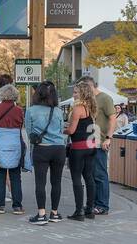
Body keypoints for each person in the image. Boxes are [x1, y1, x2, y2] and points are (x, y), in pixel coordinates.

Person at [24, 81, 66, 225]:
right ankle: (54, 213)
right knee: (57, 182)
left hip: (42, 149)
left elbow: (29, 132)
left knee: (40, 183)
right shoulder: (58, 111)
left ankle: (41, 214)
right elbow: (61, 130)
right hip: (59, 148)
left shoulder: (31, 110)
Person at [0, 80, 27, 215]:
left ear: (2, 95)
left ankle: (0, 205)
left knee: (0, 175)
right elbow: (21, 125)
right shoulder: (19, 110)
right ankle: (17, 206)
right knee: (15, 175)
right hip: (15, 143)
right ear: (15, 96)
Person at [64, 80, 98, 221]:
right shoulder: (90, 108)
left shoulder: (78, 108)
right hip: (91, 145)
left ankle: (79, 211)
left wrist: (63, 130)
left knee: (76, 178)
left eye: (76, 92)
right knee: (89, 177)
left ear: (82, 93)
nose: (74, 94)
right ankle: (90, 209)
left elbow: (72, 130)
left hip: (78, 147)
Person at [83, 77, 115, 216]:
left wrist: (108, 138)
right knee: (91, 174)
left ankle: (102, 205)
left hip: (100, 141)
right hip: (89, 141)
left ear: (90, 86)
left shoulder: (105, 98)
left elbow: (112, 118)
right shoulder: (88, 100)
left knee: (100, 174)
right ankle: (93, 204)